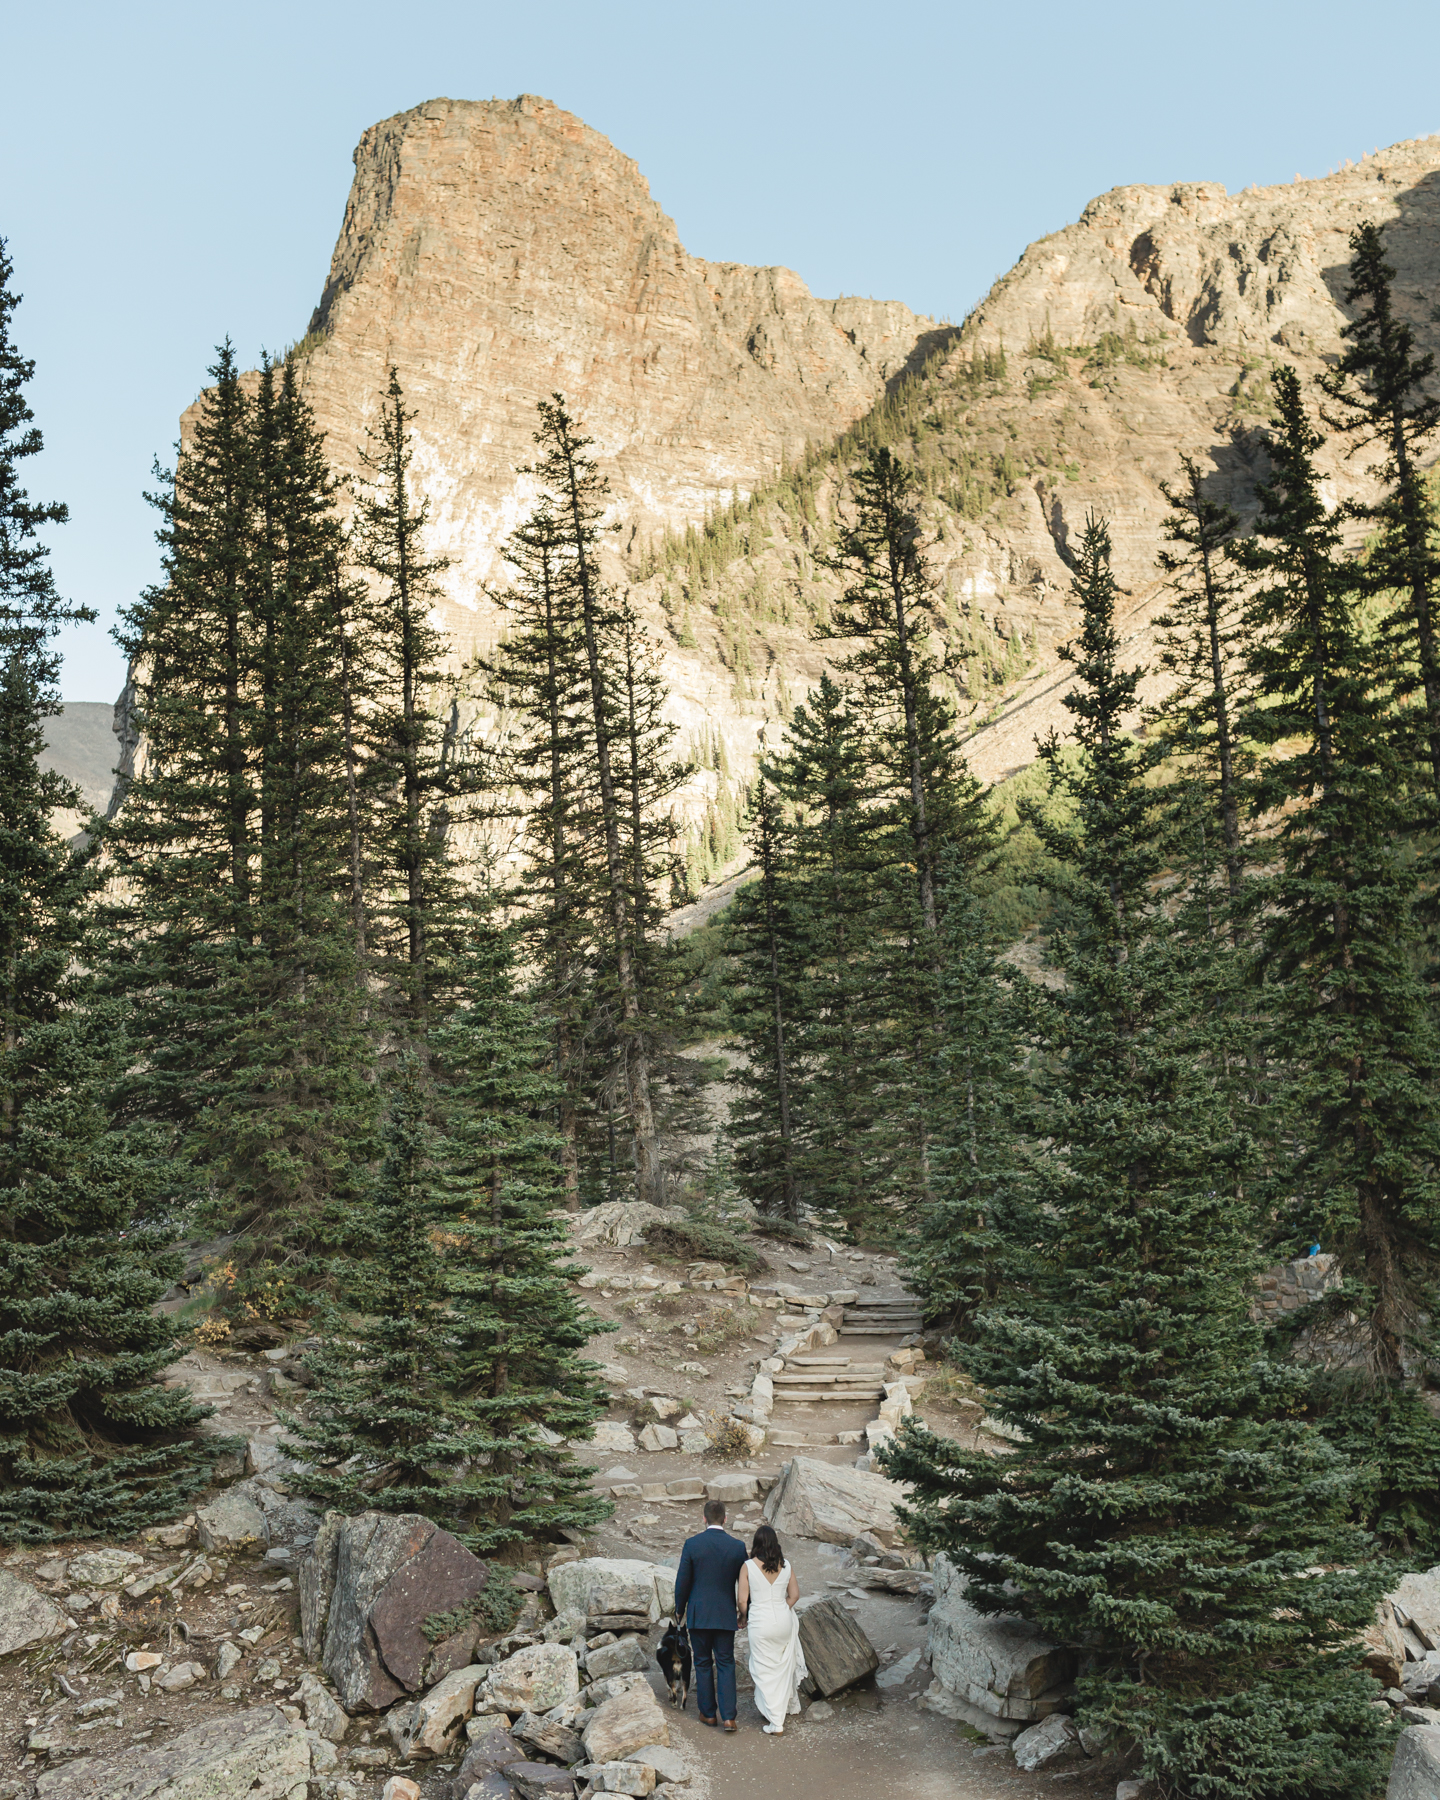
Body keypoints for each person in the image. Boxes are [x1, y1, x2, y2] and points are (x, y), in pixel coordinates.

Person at [672, 1498, 748, 1730]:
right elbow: (745, 1582)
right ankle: (729, 1717)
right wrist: (745, 1612)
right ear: (725, 1519)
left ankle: (708, 1714)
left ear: (703, 1519)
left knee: (703, 1662)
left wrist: (679, 1609)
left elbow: (682, 1581)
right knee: (725, 1662)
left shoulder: (692, 1544)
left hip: (699, 1614)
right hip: (725, 1614)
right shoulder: (737, 1546)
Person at [737, 1522, 806, 1735]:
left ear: (756, 1544)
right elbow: (794, 1595)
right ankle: (778, 1708)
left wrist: (743, 1616)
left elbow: (742, 1600)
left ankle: (776, 1721)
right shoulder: (786, 1565)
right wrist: (780, 1608)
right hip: (783, 1621)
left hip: (760, 1622)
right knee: (780, 1666)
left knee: (762, 1669)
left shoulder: (747, 1566)